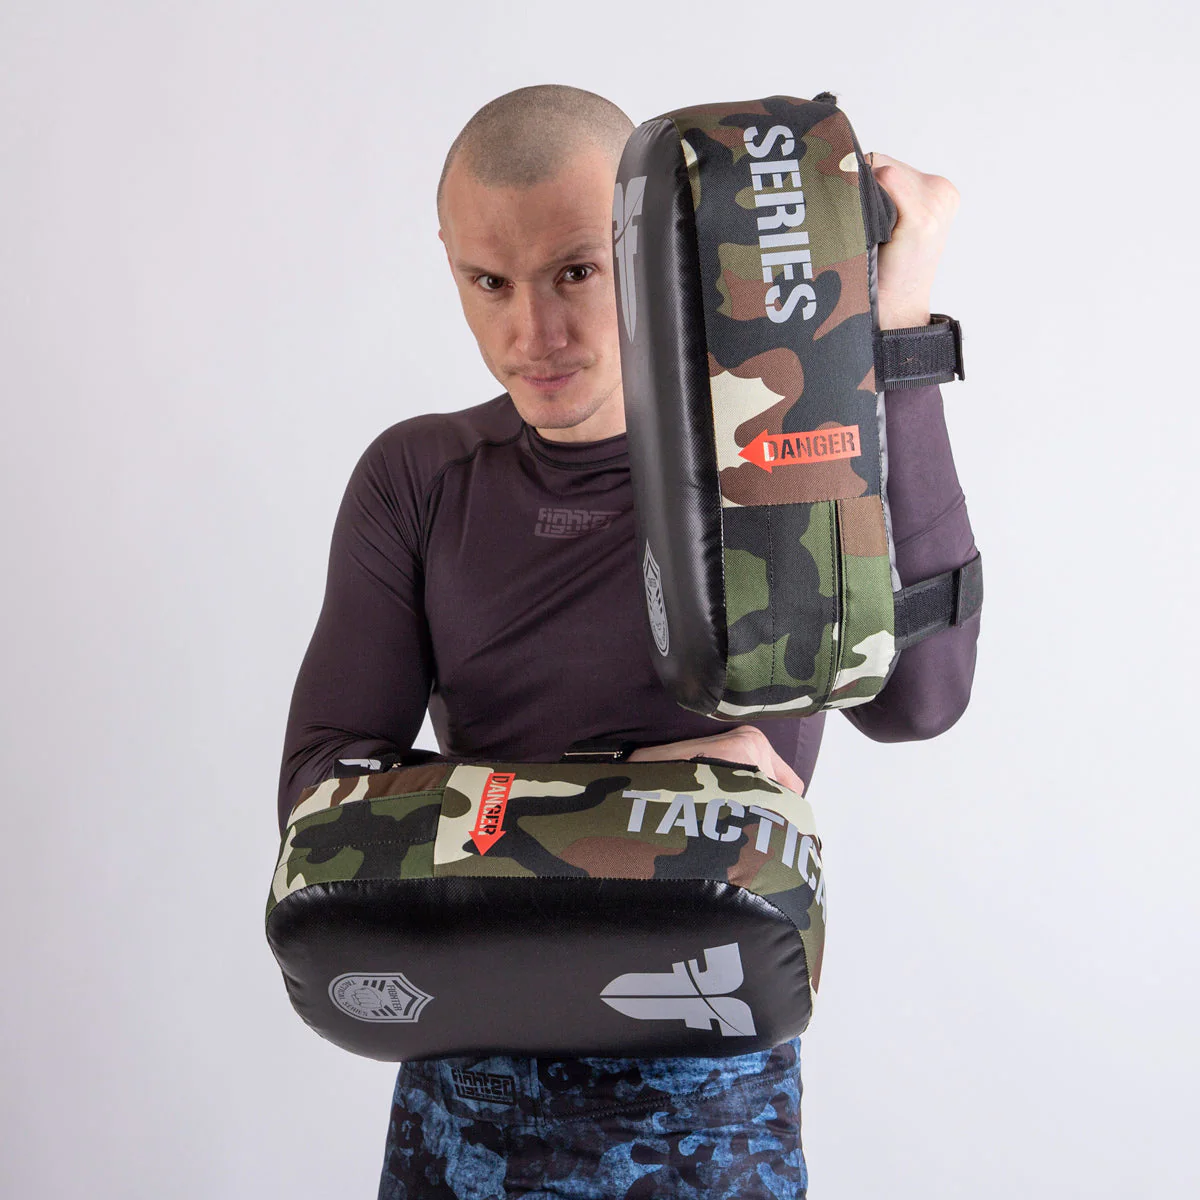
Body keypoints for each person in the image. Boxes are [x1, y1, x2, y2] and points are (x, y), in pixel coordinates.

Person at [277, 84, 980, 1200]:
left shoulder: (780, 462)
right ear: (448, 263)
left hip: (712, 1121)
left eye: (574, 272)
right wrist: (668, 792)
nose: (532, 334)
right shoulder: (421, 478)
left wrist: (894, 334)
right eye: (489, 282)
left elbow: (920, 700)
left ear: (651, 254)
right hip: (466, 1119)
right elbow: (323, 804)